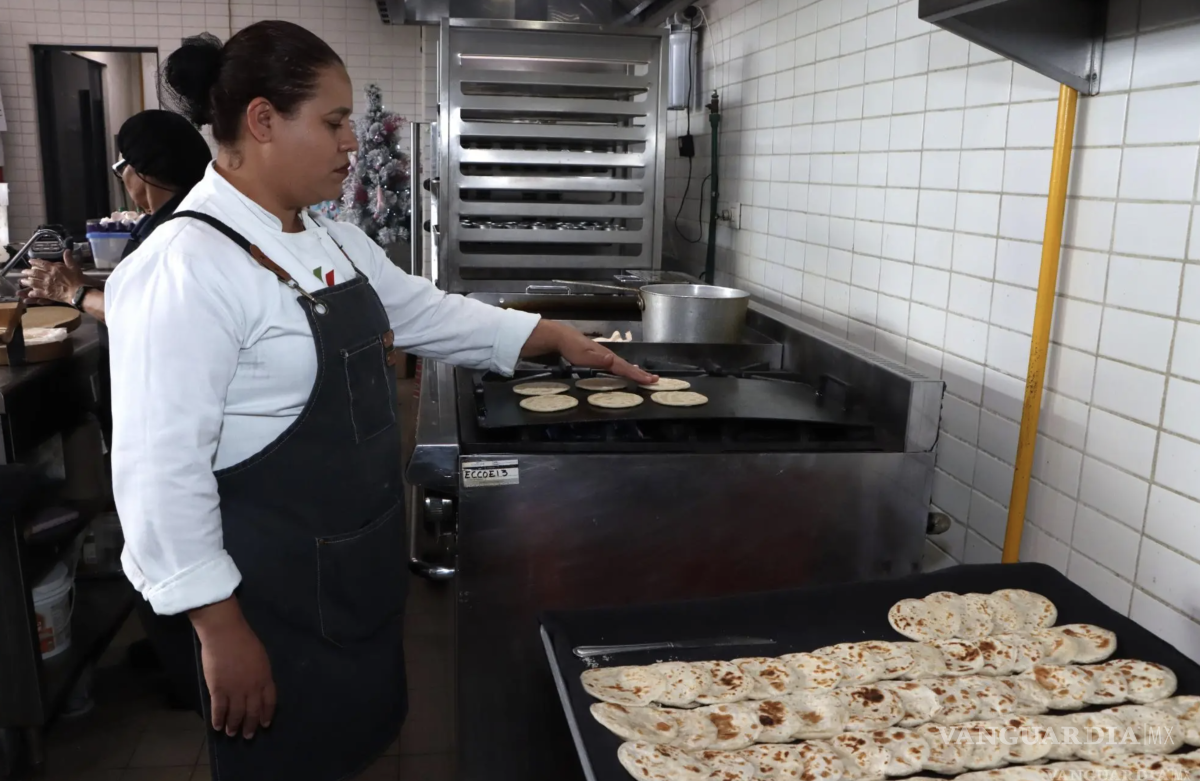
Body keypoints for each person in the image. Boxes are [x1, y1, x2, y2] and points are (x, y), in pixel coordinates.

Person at [106, 22, 656, 781]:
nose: (351, 144)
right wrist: (218, 627)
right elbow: (158, 468)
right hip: (268, 601)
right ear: (263, 121)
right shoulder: (187, 264)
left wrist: (552, 336)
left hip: (352, 577)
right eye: (332, 122)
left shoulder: (327, 236)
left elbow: (426, 312)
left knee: (352, 749)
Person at [19, 109, 212, 319]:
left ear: (140, 168)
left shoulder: (177, 234)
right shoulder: (165, 222)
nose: (121, 179)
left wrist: (74, 293)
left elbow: (144, 318)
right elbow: (141, 295)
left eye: (120, 169)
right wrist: (76, 285)